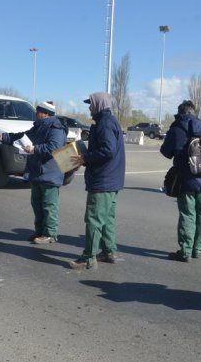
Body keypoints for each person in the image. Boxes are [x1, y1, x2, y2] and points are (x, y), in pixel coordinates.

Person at [0, 101, 67, 244]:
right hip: (37, 172)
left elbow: (55, 147)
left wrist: (34, 149)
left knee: (49, 206)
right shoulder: (38, 127)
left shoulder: (56, 128)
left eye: (38, 111)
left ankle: (50, 234)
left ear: (46, 113)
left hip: (50, 173)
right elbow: (21, 137)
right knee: (37, 205)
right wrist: (2, 137)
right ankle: (39, 232)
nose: (36, 113)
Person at [68, 92, 125, 270]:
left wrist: (85, 158)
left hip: (103, 180)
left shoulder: (104, 123)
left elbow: (108, 150)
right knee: (106, 218)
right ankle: (108, 251)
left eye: (91, 104)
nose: (89, 108)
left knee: (94, 219)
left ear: (99, 105)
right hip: (111, 179)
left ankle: (88, 257)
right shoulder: (109, 121)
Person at [160, 100, 201, 262]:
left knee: (187, 215)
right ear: (194, 112)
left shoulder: (177, 130)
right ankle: (197, 249)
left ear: (180, 113)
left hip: (186, 181)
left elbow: (166, 151)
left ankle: (185, 251)